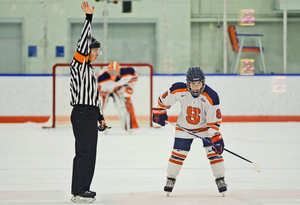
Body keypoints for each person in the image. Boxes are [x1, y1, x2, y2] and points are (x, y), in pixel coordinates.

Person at [152, 67, 227, 196]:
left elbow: (214, 121)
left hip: (205, 129)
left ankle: (220, 179)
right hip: (184, 128)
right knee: (177, 154)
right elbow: (162, 100)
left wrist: (215, 136)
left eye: (199, 83)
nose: (196, 87)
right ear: (188, 83)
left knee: (214, 153)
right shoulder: (178, 89)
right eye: (193, 84)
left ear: (203, 83)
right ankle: (170, 179)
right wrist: (160, 111)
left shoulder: (212, 96)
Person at [69, 1, 108, 203]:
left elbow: (94, 96)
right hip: (82, 113)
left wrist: (100, 116)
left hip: (90, 113)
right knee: (84, 151)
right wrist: (89, 18)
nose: (96, 53)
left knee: (89, 152)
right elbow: (83, 43)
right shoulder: (79, 64)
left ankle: (84, 188)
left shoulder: (90, 72)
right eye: (94, 50)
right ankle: (78, 191)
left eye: (98, 51)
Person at [97, 61, 139, 130]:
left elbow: (135, 74)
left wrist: (129, 86)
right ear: (108, 71)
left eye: (115, 71)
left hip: (118, 88)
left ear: (119, 70)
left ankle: (131, 125)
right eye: (111, 71)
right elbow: (98, 90)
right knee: (100, 107)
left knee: (127, 96)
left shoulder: (128, 72)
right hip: (106, 91)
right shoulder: (102, 78)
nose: (113, 74)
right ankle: (99, 123)